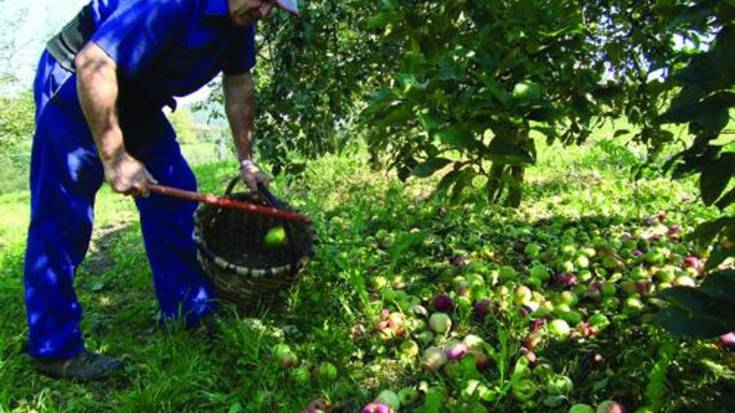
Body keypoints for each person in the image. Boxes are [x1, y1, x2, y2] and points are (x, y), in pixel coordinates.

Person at [24, 0, 299, 380]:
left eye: (277, 8)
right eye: (266, 0)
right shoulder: (171, 4)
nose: (267, 13)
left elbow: (239, 83)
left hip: (137, 94)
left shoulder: (240, 23)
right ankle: (54, 347)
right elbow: (93, 64)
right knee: (63, 214)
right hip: (78, 79)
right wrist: (115, 156)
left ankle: (188, 310)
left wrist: (246, 160)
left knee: (175, 190)